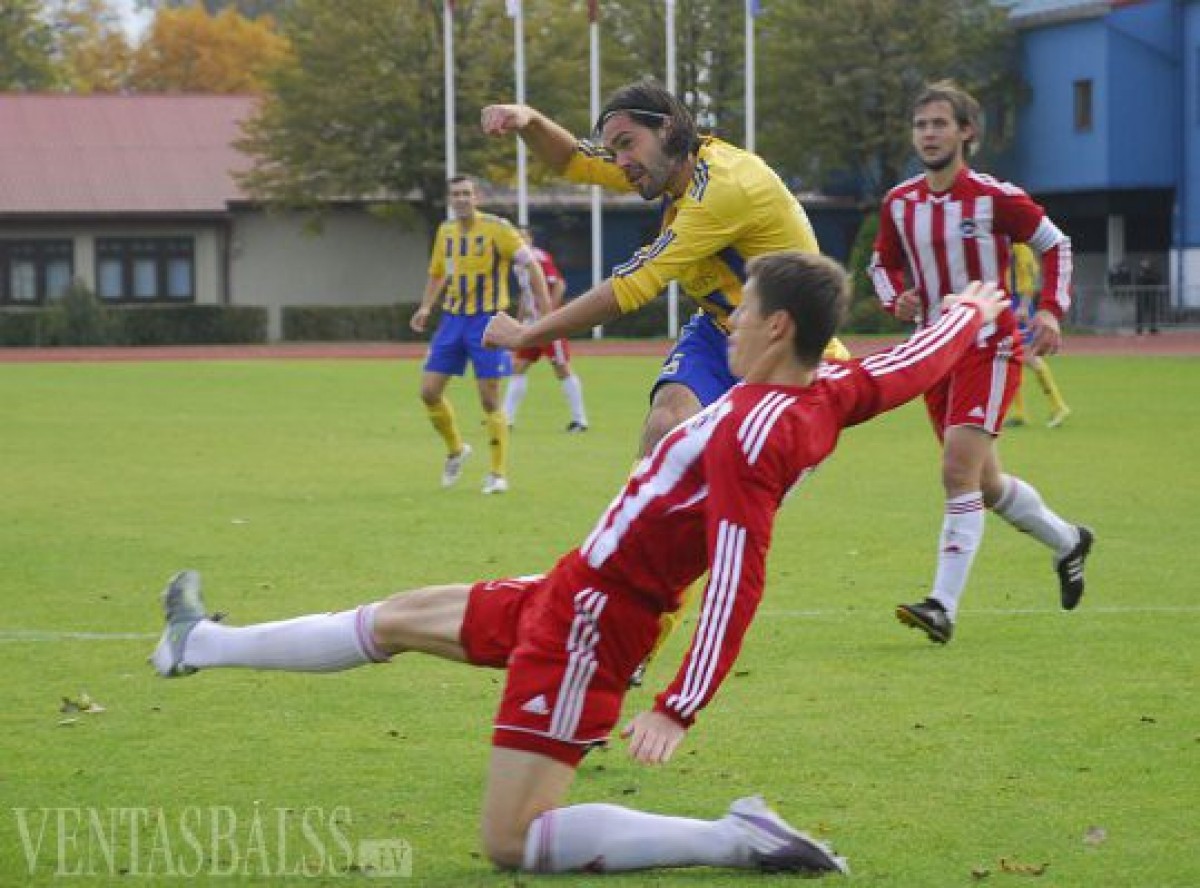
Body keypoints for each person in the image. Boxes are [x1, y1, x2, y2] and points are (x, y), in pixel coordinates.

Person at [151, 251, 1012, 876]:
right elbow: (907, 367)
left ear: (778, 326)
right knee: (400, 619)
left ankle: (736, 837)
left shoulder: (754, 434)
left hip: (596, 625)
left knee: (512, 840)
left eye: (743, 309)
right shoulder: (825, 391)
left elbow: (738, 576)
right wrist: (967, 316)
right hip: (574, 587)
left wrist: (679, 705)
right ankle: (200, 644)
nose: (733, 320)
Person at [481, 79, 848, 458]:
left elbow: (631, 285)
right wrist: (529, 119)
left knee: (740, 471)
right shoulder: (670, 166)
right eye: (614, 150)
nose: (620, 162)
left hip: (786, 348)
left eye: (627, 143)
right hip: (722, 328)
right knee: (664, 428)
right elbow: (572, 159)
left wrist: (528, 334)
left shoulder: (722, 188)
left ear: (667, 128)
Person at [868, 80, 1093, 644]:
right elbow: (881, 265)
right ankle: (1069, 542)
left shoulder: (995, 197)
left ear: (966, 132)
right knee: (985, 485)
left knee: (955, 471)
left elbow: (1055, 243)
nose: (928, 134)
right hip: (932, 352)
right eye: (921, 125)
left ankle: (941, 606)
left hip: (988, 346)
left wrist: (1050, 310)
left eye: (940, 124)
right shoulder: (900, 203)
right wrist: (898, 300)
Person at [410, 175, 551, 495]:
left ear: (477, 197)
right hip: (452, 320)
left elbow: (531, 265)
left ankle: (497, 474)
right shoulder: (445, 232)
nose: (461, 199)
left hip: (487, 322)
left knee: (489, 398)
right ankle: (456, 450)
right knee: (429, 392)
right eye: (456, 194)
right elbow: (438, 273)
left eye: (466, 193)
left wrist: (545, 310)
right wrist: (425, 307)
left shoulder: (497, 229)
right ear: (450, 199)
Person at [503, 226, 591, 433]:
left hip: (548, 326)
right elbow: (526, 294)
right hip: (532, 325)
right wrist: (518, 322)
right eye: (517, 236)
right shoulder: (518, 264)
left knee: (562, 368)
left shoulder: (539, 258)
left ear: (531, 239)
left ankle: (580, 420)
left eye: (523, 236)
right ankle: (506, 419)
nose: (520, 240)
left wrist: (549, 315)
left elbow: (559, 284)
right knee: (519, 366)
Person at [1005, 244, 1071, 428]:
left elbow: (1029, 279)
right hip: (1009, 302)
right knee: (1009, 357)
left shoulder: (1020, 249)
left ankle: (1058, 406)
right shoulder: (1009, 245)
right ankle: (1019, 413)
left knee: (1027, 356)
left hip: (1018, 304)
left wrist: (1024, 305)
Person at [1134, 257, 1162, 335]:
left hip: (1151, 294)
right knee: (1140, 312)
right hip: (1141, 295)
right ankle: (1139, 328)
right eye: (1144, 263)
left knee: (1153, 311)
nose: (1145, 264)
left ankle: (1153, 328)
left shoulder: (1153, 272)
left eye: (1146, 263)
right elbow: (1138, 281)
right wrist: (1147, 279)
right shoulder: (1138, 272)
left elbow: (1157, 279)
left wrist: (1146, 278)